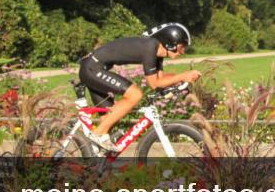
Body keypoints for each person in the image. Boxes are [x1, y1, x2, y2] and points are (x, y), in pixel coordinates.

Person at [78, 23, 200, 151]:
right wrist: (182, 76)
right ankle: (98, 133)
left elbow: (160, 81)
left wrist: (179, 82)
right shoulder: (150, 47)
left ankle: (96, 157)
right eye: (181, 47)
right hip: (92, 69)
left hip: (94, 68)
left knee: (110, 119)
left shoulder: (158, 54)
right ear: (170, 43)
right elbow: (154, 83)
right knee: (135, 95)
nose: (183, 52)